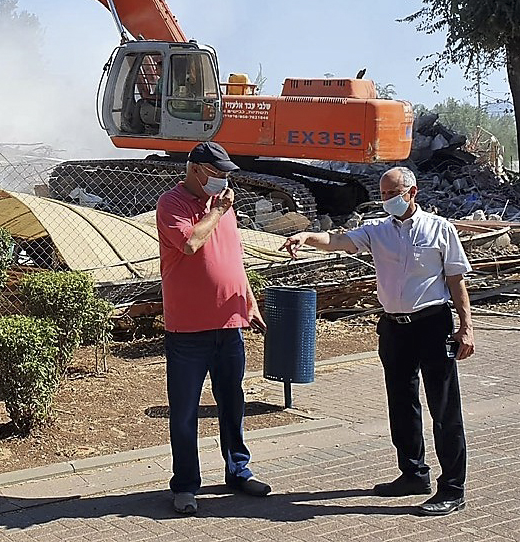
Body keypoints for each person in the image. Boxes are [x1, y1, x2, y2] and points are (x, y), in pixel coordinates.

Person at [282, 166, 474, 516]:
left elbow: (456, 280)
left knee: (444, 408)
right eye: (383, 194)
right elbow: (338, 241)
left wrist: (466, 327)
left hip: (433, 323)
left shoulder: (440, 229)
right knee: (401, 403)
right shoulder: (377, 231)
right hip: (394, 327)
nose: (386, 200)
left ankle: (452, 488)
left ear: (412, 192)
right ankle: (413, 474)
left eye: (391, 193)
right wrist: (308, 237)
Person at [156, 141, 270, 515]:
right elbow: (190, 244)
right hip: (188, 331)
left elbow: (233, 258)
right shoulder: (171, 204)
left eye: (225, 175)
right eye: (218, 173)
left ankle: (238, 471)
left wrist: (249, 302)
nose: (223, 181)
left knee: (232, 402)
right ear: (196, 169)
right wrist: (217, 212)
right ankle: (186, 485)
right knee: (185, 411)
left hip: (229, 324)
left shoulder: (223, 209)